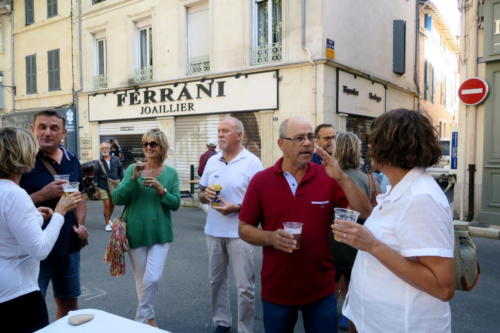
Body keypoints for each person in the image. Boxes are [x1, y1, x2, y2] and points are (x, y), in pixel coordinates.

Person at [238, 117, 372, 333]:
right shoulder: (261, 181)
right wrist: (271, 237)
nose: (308, 143)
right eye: (299, 138)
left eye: (310, 137)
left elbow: (364, 212)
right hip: (278, 289)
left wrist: (342, 178)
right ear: (282, 144)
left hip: (321, 289)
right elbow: (244, 229)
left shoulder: (327, 177)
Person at [333, 109, 455, 332]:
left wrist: (371, 245)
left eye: (374, 141)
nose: (369, 148)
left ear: (390, 147)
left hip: (401, 325)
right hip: (373, 320)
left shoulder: (421, 198)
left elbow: (442, 286)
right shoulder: (399, 188)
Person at [0, 127, 82, 333]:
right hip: (19, 293)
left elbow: (9, 228)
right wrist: (60, 212)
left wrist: (35, 215)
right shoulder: (14, 194)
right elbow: (40, 249)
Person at [20, 110, 88, 319]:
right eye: (42, 127)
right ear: (33, 130)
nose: (47, 132)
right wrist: (42, 194)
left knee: (69, 303)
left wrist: (80, 225)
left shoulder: (72, 159)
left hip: (68, 245)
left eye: (53, 128)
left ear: (63, 133)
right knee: (32, 310)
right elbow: (8, 204)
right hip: (34, 249)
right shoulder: (21, 162)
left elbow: (80, 198)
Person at [198, 117, 263, 333]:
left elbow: (261, 201)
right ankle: (222, 322)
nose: (220, 134)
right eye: (219, 130)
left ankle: (245, 329)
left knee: (245, 286)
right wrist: (205, 195)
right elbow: (200, 194)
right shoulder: (212, 161)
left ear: (239, 136)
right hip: (213, 230)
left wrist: (236, 207)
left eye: (226, 130)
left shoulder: (252, 162)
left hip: (240, 232)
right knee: (216, 281)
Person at [112, 128, 180, 327]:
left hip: (160, 233)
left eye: (153, 144)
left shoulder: (171, 174)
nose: (148, 147)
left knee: (152, 278)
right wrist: (133, 179)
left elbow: (175, 204)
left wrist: (162, 190)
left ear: (162, 147)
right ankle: (149, 319)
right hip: (135, 232)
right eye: (145, 144)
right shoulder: (134, 169)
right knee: (142, 281)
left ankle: (139, 321)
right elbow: (117, 198)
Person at [330, 131, 379, 330]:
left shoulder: (329, 176)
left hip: (332, 237)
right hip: (358, 238)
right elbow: (375, 212)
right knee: (353, 282)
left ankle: (330, 316)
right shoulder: (369, 179)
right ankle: (349, 315)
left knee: (331, 283)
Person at [94, 142, 124, 231]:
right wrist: (96, 189)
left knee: (112, 204)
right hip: (102, 186)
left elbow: (121, 172)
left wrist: (122, 183)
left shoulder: (116, 159)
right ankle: (107, 223)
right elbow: (95, 176)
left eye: (106, 148)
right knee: (106, 204)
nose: (104, 149)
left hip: (114, 186)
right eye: (102, 148)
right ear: (100, 150)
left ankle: (108, 218)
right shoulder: (98, 162)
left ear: (109, 149)